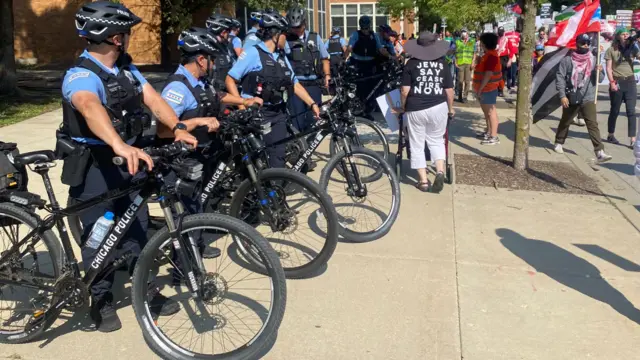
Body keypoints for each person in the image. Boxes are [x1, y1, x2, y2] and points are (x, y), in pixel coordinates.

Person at [61, 1, 197, 332]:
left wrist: (177, 127)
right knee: (100, 235)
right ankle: (101, 299)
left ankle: (144, 288)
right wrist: (118, 143)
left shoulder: (126, 69)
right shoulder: (80, 75)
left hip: (130, 160)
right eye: (127, 32)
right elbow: (88, 106)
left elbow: (152, 98)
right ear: (116, 37)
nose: (129, 37)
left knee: (136, 228)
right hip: (95, 166)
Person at [159, 28, 263, 259]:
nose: (215, 63)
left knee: (200, 202)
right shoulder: (177, 88)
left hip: (203, 151)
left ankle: (197, 247)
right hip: (183, 159)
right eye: (212, 58)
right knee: (186, 212)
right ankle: (185, 264)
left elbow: (219, 96)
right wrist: (196, 121)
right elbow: (164, 129)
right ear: (201, 59)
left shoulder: (200, 82)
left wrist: (245, 101)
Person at [225, 10, 320, 168]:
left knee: (278, 156)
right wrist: (243, 107)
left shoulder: (280, 56)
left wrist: (312, 104)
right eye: (285, 34)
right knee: (258, 159)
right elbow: (230, 80)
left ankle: (274, 189)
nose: (287, 38)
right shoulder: (252, 53)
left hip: (279, 113)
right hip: (258, 114)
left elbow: (294, 83)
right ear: (276, 35)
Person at [395, 31, 454, 193]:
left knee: (416, 144)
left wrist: (403, 107)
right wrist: (451, 109)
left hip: (416, 107)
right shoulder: (442, 63)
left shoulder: (411, 64)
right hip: (438, 106)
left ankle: (423, 181)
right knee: (437, 140)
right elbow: (449, 91)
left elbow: (405, 91)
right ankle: (440, 171)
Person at [554, 34, 612, 162]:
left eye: (588, 42)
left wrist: (599, 71)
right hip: (572, 96)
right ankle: (559, 141)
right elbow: (560, 77)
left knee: (592, 124)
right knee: (566, 121)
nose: (586, 45)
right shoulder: (567, 60)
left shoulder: (593, 59)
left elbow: (600, 79)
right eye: (583, 42)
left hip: (588, 97)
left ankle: (599, 151)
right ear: (577, 43)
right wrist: (562, 95)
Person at [283, 5, 330, 134]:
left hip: (314, 85)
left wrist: (327, 75)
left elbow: (325, 58)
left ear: (305, 23)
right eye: (294, 27)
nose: (297, 30)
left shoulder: (315, 38)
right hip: (296, 86)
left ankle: (309, 147)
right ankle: (298, 150)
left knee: (314, 120)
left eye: (299, 27)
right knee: (297, 120)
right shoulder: (286, 40)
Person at [344, 15, 393, 119]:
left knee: (372, 87)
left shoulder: (373, 35)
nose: (365, 30)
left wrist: (391, 57)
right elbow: (350, 48)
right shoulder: (355, 35)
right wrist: (344, 58)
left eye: (366, 28)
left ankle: (367, 109)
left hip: (371, 63)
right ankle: (360, 108)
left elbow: (380, 49)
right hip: (358, 63)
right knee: (360, 87)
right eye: (364, 28)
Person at [605, 27, 640, 147]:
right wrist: (612, 82)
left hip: (630, 81)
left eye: (627, 34)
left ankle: (632, 139)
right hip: (617, 81)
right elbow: (609, 68)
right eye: (623, 34)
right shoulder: (611, 50)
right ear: (618, 36)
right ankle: (610, 134)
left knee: (631, 111)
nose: (626, 35)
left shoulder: (633, 48)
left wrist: (638, 44)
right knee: (615, 110)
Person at [473, 32, 503, 145]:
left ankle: (493, 136)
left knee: (491, 112)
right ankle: (489, 131)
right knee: (487, 112)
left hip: (488, 88)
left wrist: (480, 89)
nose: (480, 44)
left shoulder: (491, 56)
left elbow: (488, 74)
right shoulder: (489, 55)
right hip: (486, 88)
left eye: (481, 43)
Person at [205, 14, 237, 91]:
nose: (229, 35)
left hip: (225, 93)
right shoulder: (205, 50)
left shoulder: (225, 48)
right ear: (223, 32)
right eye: (228, 32)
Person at [454, 29, 475, 103]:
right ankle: (459, 96)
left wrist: (473, 62)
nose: (464, 36)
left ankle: (465, 96)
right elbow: (455, 52)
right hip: (460, 63)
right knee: (460, 81)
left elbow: (474, 53)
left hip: (468, 63)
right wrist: (455, 62)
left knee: (467, 81)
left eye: (465, 34)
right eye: (463, 35)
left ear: (467, 35)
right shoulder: (457, 42)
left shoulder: (471, 41)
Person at [496, 26, 516, 96]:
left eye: (501, 31)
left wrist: (510, 60)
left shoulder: (507, 40)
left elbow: (512, 50)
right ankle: (498, 89)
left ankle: (500, 89)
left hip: (504, 58)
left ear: (504, 32)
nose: (500, 33)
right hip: (497, 58)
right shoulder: (496, 40)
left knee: (503, 75)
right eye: (499, 31)